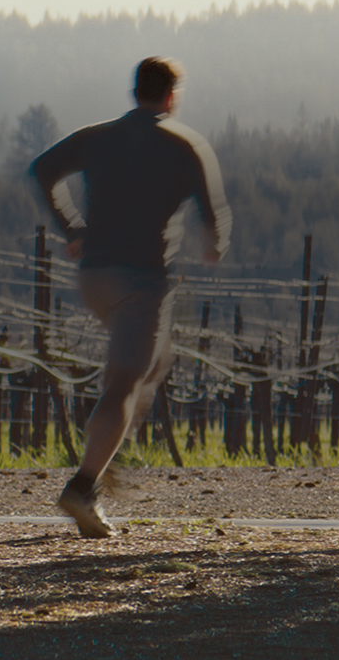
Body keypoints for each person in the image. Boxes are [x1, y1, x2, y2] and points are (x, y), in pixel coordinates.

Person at [29, 57, 232, 538]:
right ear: (171, 97)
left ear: (135, 90)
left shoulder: (95, 138)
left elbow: (42, 171)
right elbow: (213, 213)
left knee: (152, 365)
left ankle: (106, 451)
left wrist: (71, 227)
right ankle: (85, 484)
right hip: (143, 281)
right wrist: (213, 244)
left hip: (95, 276)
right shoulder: (185, 146)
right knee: (124, 382)